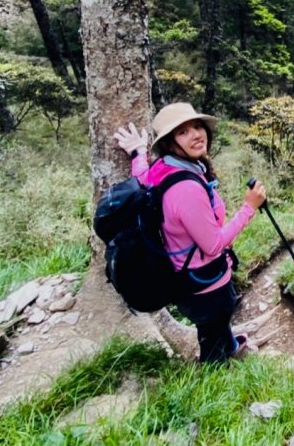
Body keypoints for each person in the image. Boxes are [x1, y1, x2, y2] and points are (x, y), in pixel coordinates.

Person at [113, 102, 266, 363]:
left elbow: (141, 175)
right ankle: (214, 378)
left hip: (185, 278)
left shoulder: (162, 169)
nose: (196, 134)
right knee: (213, 338)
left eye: (197, 126)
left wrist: (137, 152)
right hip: (206, 285)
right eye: (183, 132)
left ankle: (232, 347)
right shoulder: (186, 188)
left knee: (215, 329)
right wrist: (249, 207)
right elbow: (214, 245)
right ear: (170, 142)